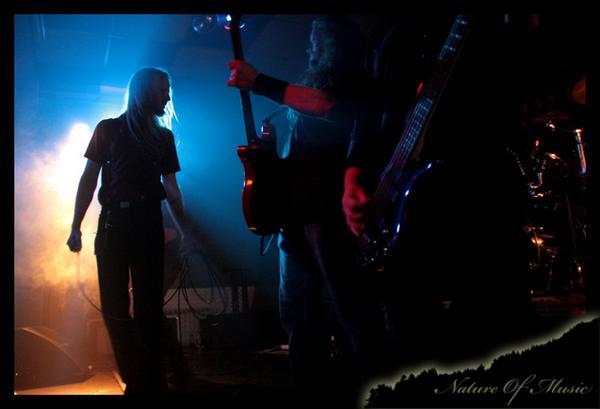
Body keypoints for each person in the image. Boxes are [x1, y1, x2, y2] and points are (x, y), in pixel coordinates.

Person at [343, 15, 535, 365]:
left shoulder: (491, 28)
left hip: (480, 190)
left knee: (493, 326)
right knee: (411, 332)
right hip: (405, 205)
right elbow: (368, 112)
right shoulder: (391, 34)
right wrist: (352, 177)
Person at [227, 15, 387, 407]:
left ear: (338, 41)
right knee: (298, 317)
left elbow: (326, 105)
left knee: (350, 313)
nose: (310, 45)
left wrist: (260, 82)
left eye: (318, 36)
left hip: (329, 214)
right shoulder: (310, 86)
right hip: (296, 216)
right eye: (311, 37)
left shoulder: (351, 81)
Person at [66, 67, 191, 395]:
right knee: (115, 308)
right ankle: (139, 379)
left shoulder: (163, 137)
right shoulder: (108, 129)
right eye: (163, 90)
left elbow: (172, 189)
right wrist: (75, 226)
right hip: (114, 226)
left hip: (146, 224)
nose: (167, 97)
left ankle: (148, 382)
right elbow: (88, 179)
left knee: (148, 309)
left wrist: (184, 230)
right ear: (145, 91)